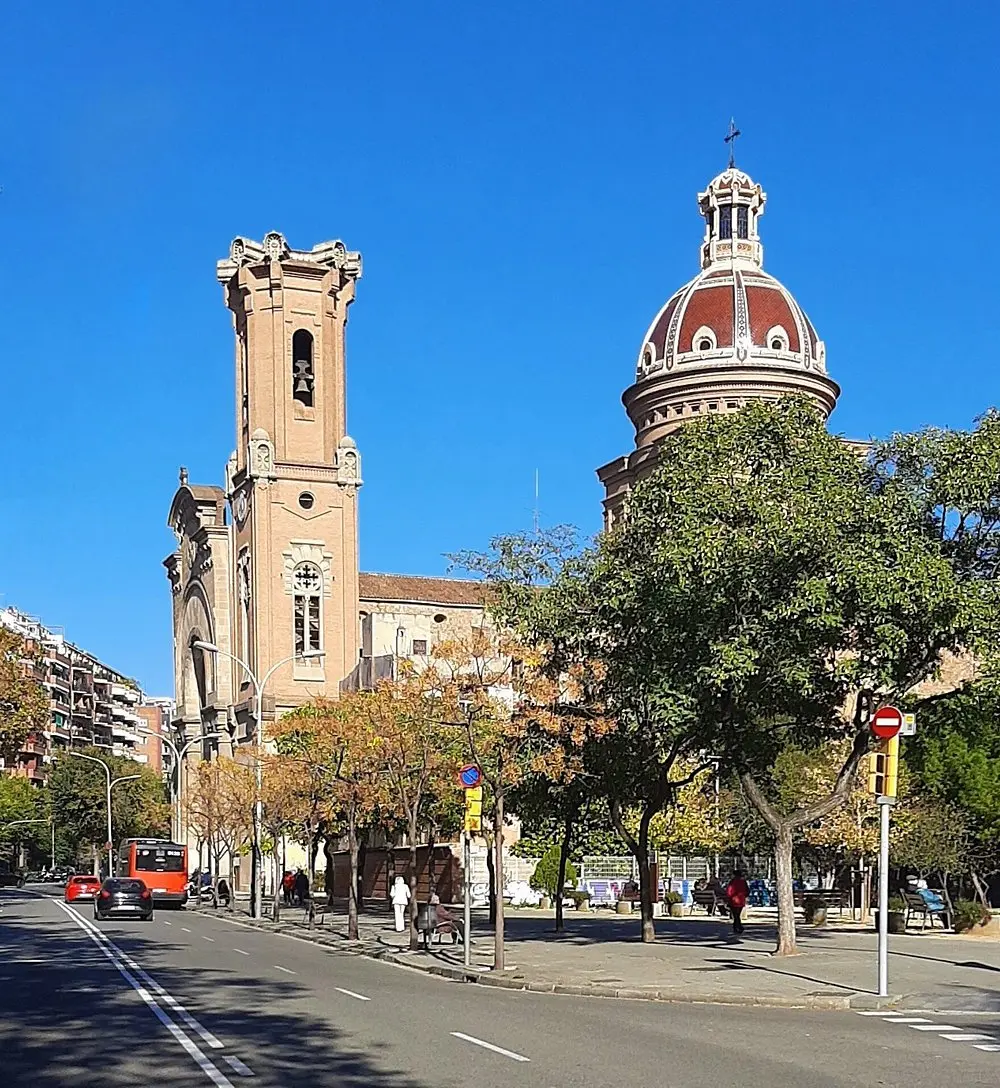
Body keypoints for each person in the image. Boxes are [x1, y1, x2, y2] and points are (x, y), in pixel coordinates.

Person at [726, 870, 750, 935]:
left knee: (735, 915)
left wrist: (728, 898)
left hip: (733, 900)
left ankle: (738, 926)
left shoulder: (732, 882)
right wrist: (744, 896)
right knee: (737, 914)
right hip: (741, 900)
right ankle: (737, 926)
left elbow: (729, 891)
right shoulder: (743, 882)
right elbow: (747, 891)